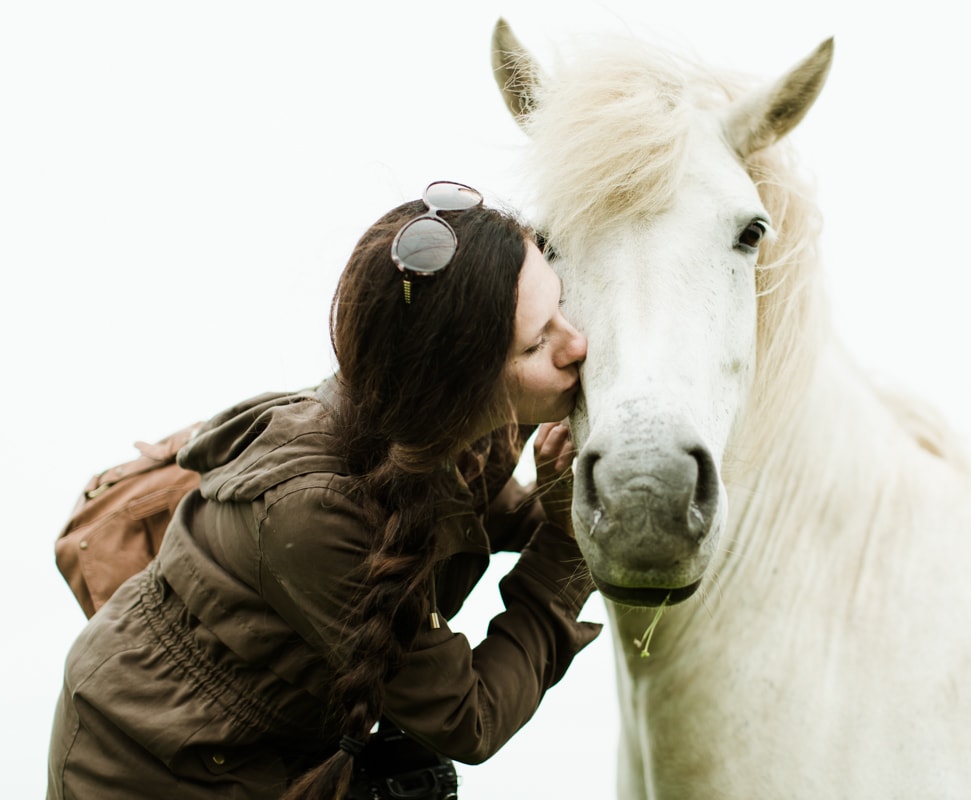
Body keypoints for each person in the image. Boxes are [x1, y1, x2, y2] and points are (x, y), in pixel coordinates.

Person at [46, 181, 600, 800]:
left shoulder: (444, 426)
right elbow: (466, 720)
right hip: (154, 763)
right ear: (458, 385)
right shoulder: (316, 514)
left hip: (273, 744)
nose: (576, 343)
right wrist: (566, 547)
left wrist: (568, 507)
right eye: (535, 342)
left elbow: (457, 515)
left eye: (561, 309)